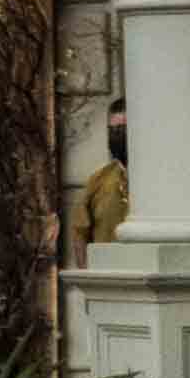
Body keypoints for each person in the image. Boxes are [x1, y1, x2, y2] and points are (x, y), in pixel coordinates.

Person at [70, 98, 128, 269]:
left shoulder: (160, 179)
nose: (117, 135)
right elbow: (79, 233)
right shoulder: (98, 180)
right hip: (107, 279)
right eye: (113, 130)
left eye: (123, 129)